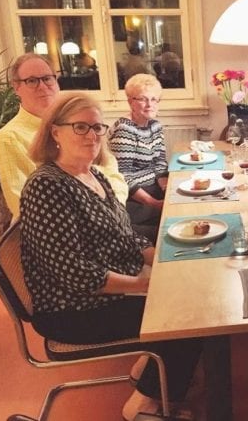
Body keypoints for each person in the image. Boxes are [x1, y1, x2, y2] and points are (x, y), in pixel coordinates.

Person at [19, 92, 201, 420]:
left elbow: (127, 236)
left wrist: (162, 260)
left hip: (106, 289)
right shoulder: (46, 186)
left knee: (188, 289)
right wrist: (144, 286)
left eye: (97, 127)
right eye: (80, 127)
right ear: (54, 132)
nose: (92, 135)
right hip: (72, 308)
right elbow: (76, 274)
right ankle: (142, 407)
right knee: (187, 314)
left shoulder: (93, 174)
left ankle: (150, 370)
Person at [0, 53, 128, 220]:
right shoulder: (9, 137)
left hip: (111, 212)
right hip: (64, 228)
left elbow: (110, 169)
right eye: (32, 81)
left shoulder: (78, 121)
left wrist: (114, 207)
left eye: (47, 78)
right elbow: (22, 205)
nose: (42, 87)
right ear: (16, 87)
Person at [109, 74, 168, 242]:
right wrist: (155, 203)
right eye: (143, 99)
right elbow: (123, 176)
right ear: (130, 102)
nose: (150, 104)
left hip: (153, 189)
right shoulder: (124, 129)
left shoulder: (155, 125)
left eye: (154, 99)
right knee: (171, 227)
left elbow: (160, 163)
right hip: (134, 199)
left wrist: (165, 190)